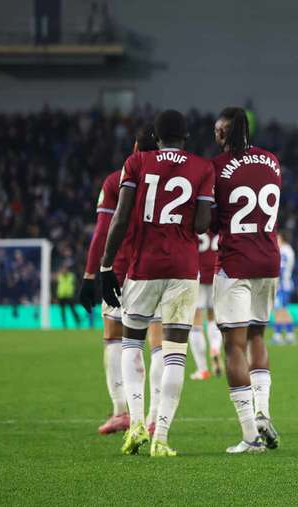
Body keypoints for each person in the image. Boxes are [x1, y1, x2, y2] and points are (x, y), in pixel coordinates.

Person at [100, 110, 214, 457]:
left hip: (144, 266)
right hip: (183, 269)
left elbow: (120, 218)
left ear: (157, 136)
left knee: (132, 343)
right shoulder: (202, 167)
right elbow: (202, 226)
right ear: (186, 137)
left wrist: (107, 265)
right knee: (174, 353)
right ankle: (161, 436)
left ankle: (135, 425)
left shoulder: (136, 163)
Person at [79, 125, 164, 436]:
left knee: (116, 338)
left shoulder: (116, 180)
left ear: (133, 147)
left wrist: (91, 273)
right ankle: (155, 417)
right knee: (159, 344)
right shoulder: (173, 178)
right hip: (162, 270)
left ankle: (121, 411)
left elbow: (103, 230)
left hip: (122, 271)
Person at [212, 107, 282, 453]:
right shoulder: (271, 161)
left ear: (225, 133)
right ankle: (263, 412)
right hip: (268, 260)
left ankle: (250, 435)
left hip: (235, 262)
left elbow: (210, 220)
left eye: (218, 131)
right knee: (257, 335)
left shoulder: (216, 168)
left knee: (233, 345)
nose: (216, 136)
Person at [188, 232, 223, 379]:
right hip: (216, 274)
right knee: (212, 318)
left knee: (195, 322)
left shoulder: (198, 221)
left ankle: (202, 369)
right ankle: (215, 347)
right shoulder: (218, 221)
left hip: (198, 275)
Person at [271, 231, 296, 345]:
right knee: (283, 309)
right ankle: (289, 334)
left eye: (278, 239)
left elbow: (281, 268)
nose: (276, 241)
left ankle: (279, 335)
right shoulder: (288, 250)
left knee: (280, 310)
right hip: (286, 284)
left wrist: (276, 282)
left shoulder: (284, 251)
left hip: (282, 285)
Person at [56, 261, 80, 328]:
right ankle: (64, 325)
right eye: (63, 269)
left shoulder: (71, 276)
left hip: (69, 296)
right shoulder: (59, 276)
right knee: (62, 311)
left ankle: (78, 321)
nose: (64, 270)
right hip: (61, 296)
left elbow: (76, 285)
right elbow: (57, 286)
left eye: (65, 269)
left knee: (73, 310)